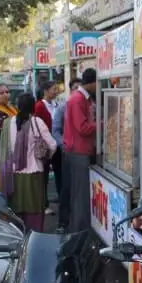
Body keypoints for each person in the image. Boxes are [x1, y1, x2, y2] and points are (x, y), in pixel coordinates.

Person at [5, 93, 57, 232]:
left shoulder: (9, 123)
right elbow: (52, 145)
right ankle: (34, 239)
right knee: (34, 210)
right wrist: (44, 159)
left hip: (14, 175)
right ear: (33, 106)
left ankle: (19, 237)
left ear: (17, 106)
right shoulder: (36, 122)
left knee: (18, 208)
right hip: (34, 173)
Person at [63, 69, 97, 233]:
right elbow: (82, 128)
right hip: (78, 152)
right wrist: (102, 125)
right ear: (91, 83)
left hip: (81, 150)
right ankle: (79, 232)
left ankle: (78, 229)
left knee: (80, 194)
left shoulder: (83, 98)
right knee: (80, 195)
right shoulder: (77, 100)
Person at [52, 78, 81, 232]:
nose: (78, 90)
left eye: (80, 87)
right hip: (68, 153)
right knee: (66, 188)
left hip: (83, 154)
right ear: (70, 89)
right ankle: (63, 222)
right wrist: (64, 145)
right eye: (75, 87)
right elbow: (55, 130)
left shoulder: (87, 106)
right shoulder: (63, 107)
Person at [34, 81, 60, 215]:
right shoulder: (39, 106)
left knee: (59, 173)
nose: (56, 91)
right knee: (43, 176)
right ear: (45, 90)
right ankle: (43, 204)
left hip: (57, 145)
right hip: (45, 147)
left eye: (57, 89)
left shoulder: (56, 105)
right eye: (54, 89)